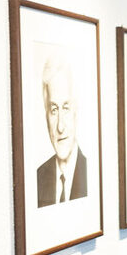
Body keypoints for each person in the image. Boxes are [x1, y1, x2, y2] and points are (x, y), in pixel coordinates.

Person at [37, 55, 87, 207]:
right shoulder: (37, 178)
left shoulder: (92, 173)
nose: (60, 127)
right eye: (53, 110)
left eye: (65, 108)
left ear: (76, 111)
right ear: (46, 116)